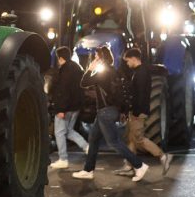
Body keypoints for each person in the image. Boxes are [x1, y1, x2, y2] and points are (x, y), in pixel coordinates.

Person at [72, 46, 150, 182]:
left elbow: (83, 83)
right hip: (110, 111)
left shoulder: (103, 73)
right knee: (93, 139)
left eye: (96, 57)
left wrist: (90, 68)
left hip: (105, 112)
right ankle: (88, 170)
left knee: (114, 142)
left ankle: (139, 165)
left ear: (101, 59)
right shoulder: (114, 71)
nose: (95, 59)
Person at [119, 48, 173, 176]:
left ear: (133, 58)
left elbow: (141, 94)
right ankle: (129, 165)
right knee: (130, 138)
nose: (127, 64)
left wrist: (135, 112)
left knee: (138, 138)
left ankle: (163, 156)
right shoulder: (139, 72)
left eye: (127, 61)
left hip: (138, 111)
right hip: (136, 110)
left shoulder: (141, 73)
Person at [49, 46, 90, 169]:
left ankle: (63, 159)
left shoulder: (64, 70)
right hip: (75, 107)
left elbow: (63, 91)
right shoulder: (77, 68)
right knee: (68, 131)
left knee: (59, 132)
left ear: (60, 58)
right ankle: (87, 147)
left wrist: (60, 109)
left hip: (65, 107)